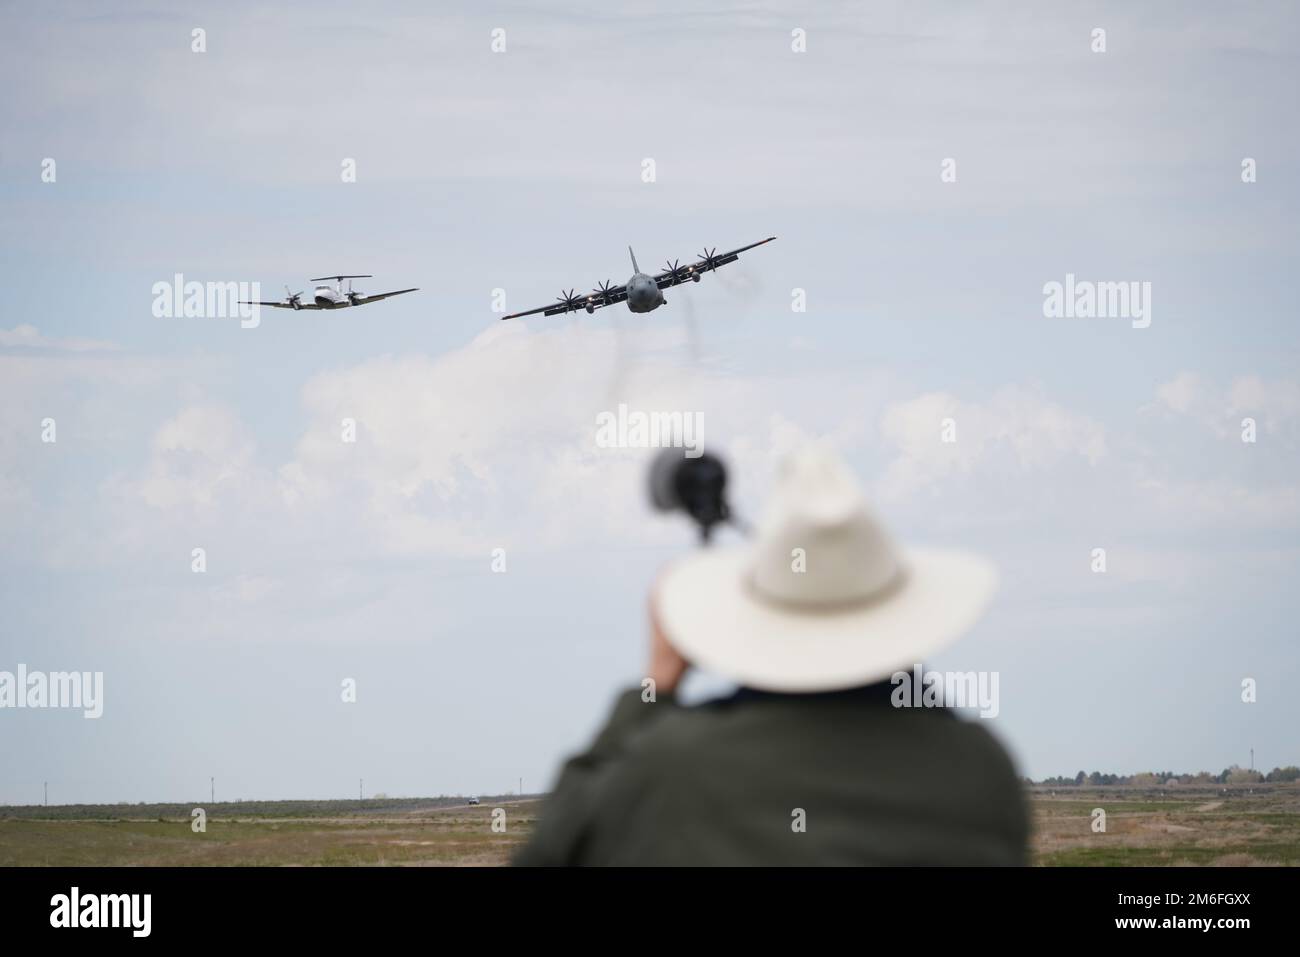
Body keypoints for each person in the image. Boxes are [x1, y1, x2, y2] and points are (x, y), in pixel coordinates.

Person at [515, 448, 1028, 866]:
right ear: (901, 612)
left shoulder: (673, 767)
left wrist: (658, 684)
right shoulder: (982, 769)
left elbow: (554, 851)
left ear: (755, 618)